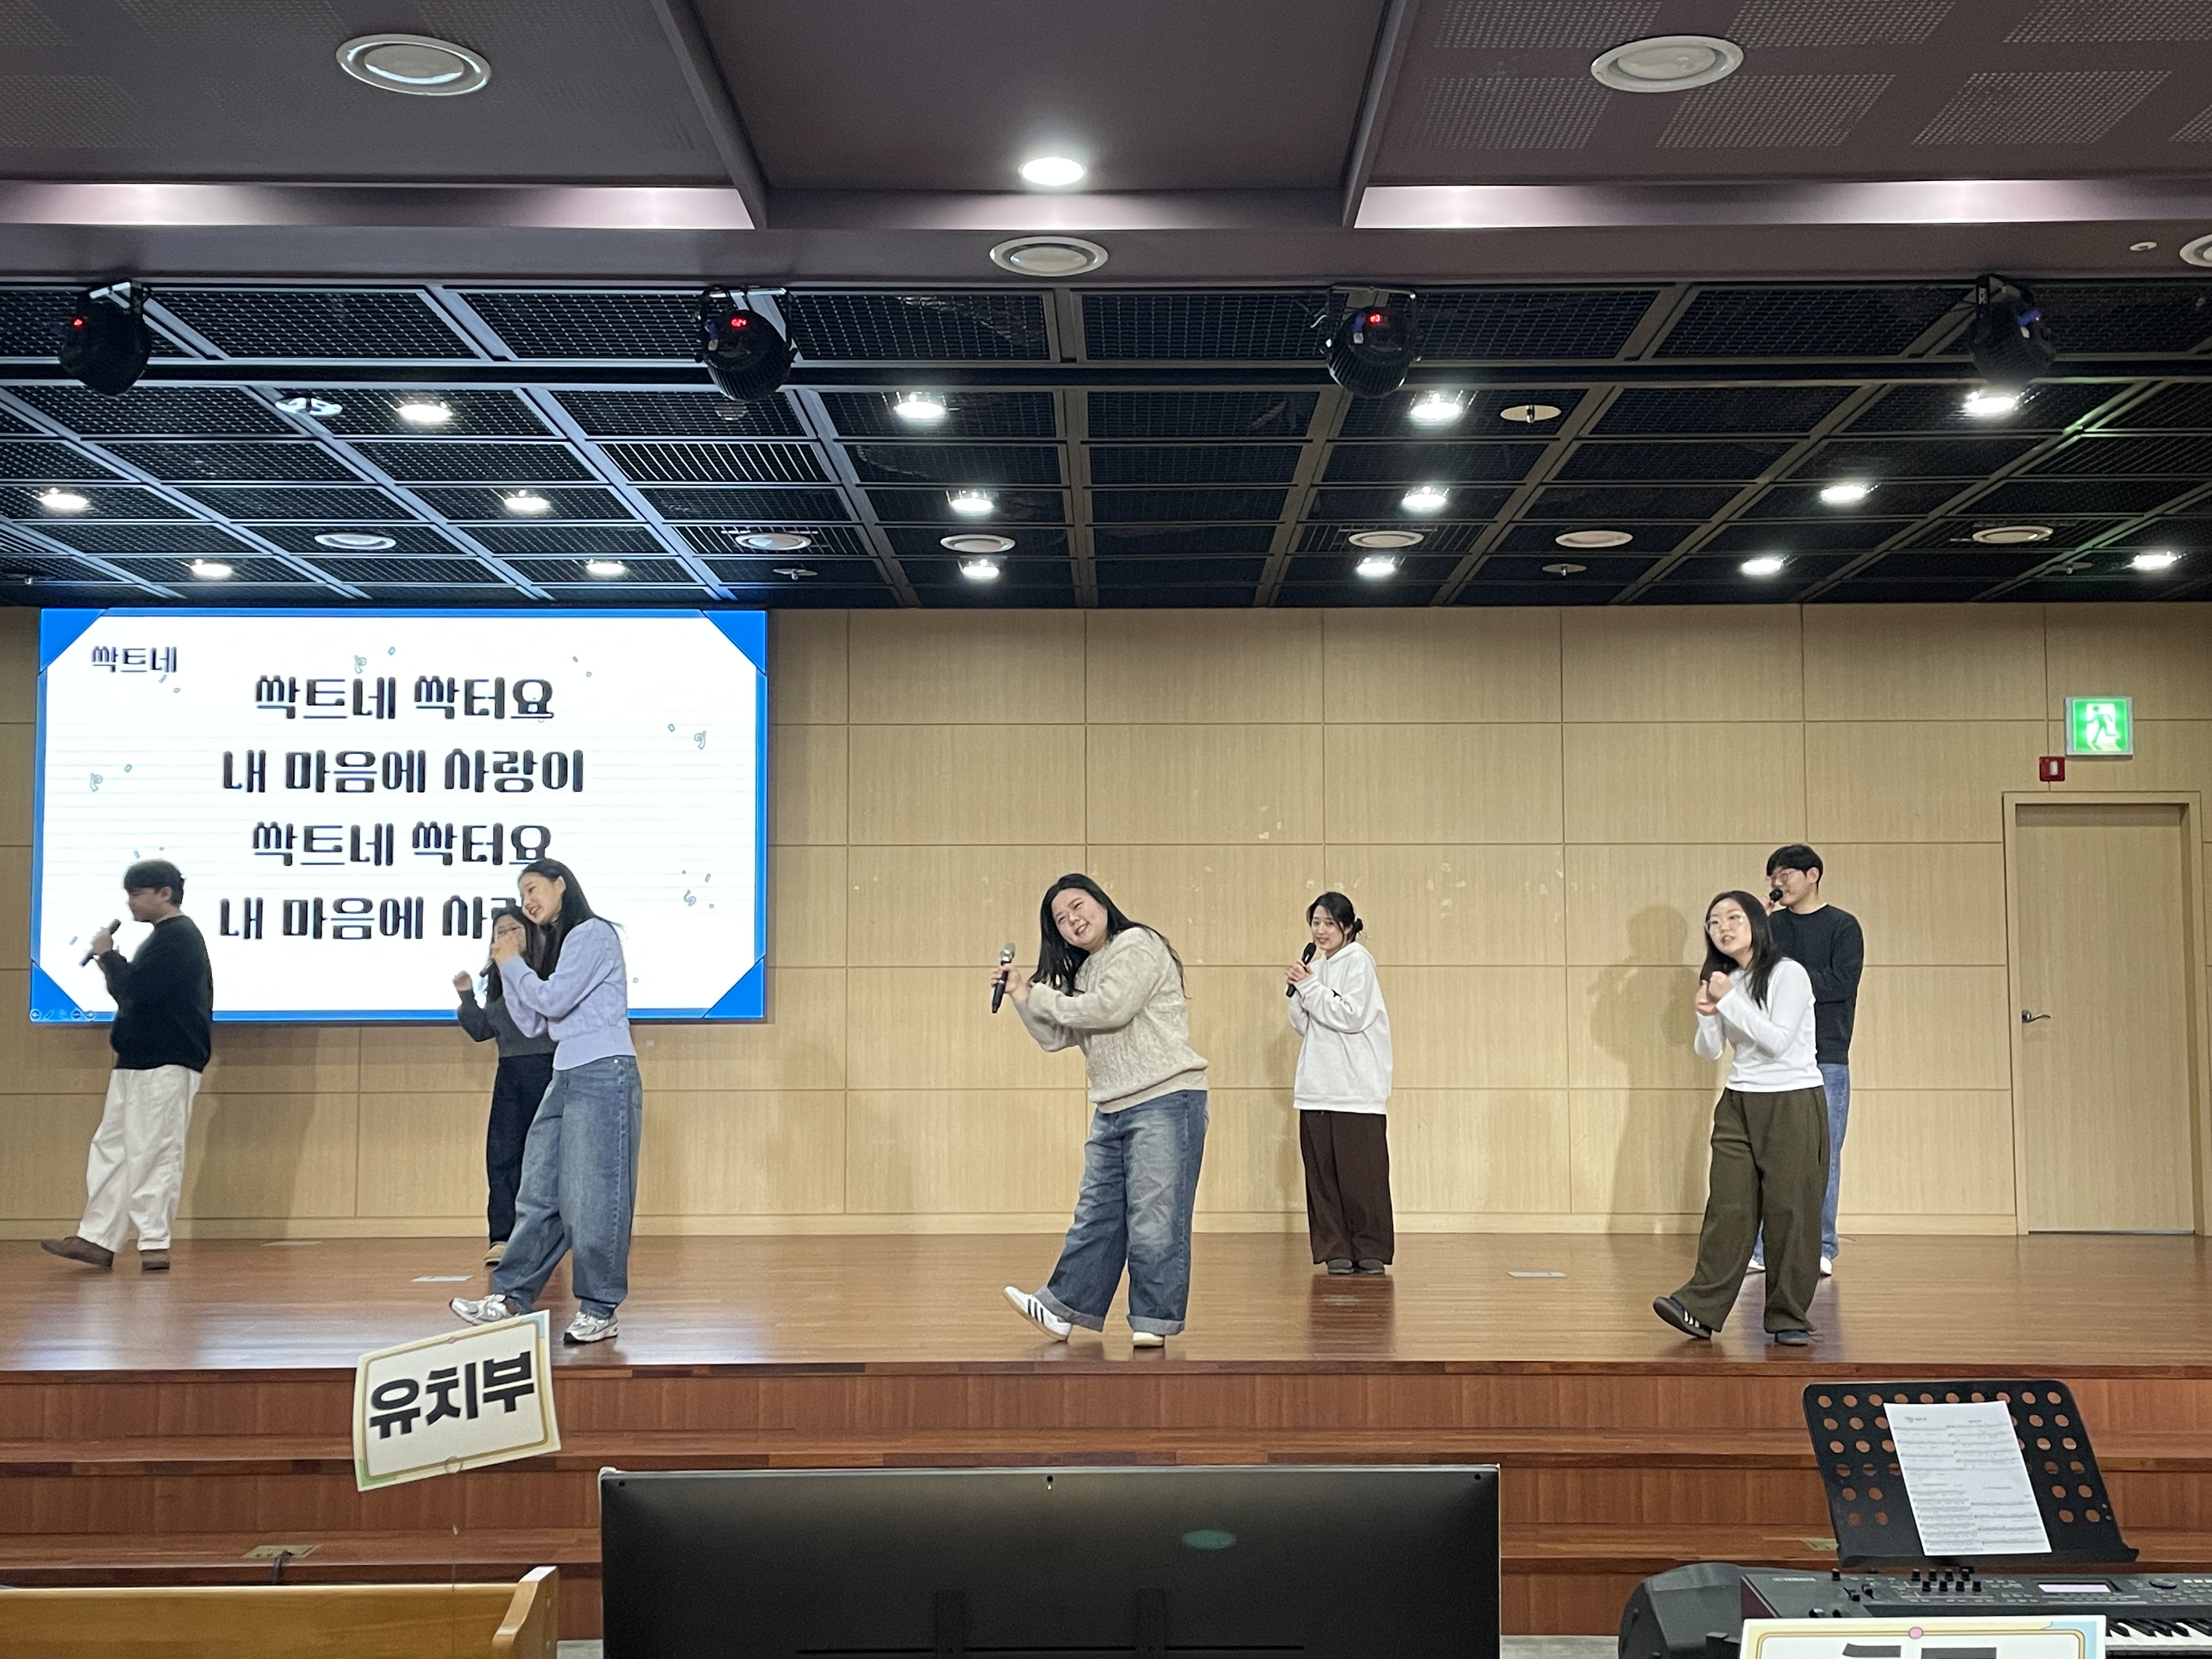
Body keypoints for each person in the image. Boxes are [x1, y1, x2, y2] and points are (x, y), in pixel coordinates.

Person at [998, 874, 1209, 1349]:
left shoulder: (1137, 944)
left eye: (1078, 906)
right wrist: (1021, 996)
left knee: (1156, 1218)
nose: (1073, 920)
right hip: (1113, 1106)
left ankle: (1154, 1318)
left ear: (1101, 902)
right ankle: (1062, 1308)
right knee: (1096, 1215)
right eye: (1061, 919)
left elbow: (1111, 1009)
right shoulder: (1085, 971)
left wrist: (1042, 995)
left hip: (1165, 1100)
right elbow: (1056, 1036)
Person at [449, 859, 640, 1345]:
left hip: (603, 1069)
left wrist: (514, 963)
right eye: (523, 894)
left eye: (533, 889)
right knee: (538, 1192)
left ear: (561, 885)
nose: (528, 901)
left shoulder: (592, 933)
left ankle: (600, 1308)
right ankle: (510, 1296)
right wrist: (509, 967)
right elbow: (534, 1023)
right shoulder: (558, 944)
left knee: (594, 1196)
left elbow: (552, 1002)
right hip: (565, 1071)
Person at [1652, 891, 1827, 1347]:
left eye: (1733, 918)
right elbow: (1710, 1051)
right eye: (1714, 922)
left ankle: (1788, 1316)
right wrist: (1706, 1015)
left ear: (1756, 922)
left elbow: (1777, 1041)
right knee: (1728, 1207)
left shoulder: (1788, 974)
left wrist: (1728, 1001)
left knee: (1791, 1210)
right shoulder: (1725, 981)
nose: (1723, 928)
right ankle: (1700, 1308)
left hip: (1791, 1100)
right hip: (1738, 1101)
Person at [42, 860, 213, 1273]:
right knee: (113, 1149)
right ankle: (98, 1238)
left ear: (165, 894)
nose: (131, 903)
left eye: (137, 894)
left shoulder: (180, 937)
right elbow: (134, 989)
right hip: (136, 1061)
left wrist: (107, 955)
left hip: (166, 1061)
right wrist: (111, 960)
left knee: (155, 1150)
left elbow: (138, 989)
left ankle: (154, 1242)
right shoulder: (163, 938)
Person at [1751, 844, 1864, 1280]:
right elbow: (1752, 978)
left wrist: (1789, 980)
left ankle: (1821, 1246)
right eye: (1773, 877)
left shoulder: (1843, 926)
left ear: (1812, 875)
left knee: (1823, 1153)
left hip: (1826, 1054)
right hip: (1775, 1054)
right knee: (1771, 1155)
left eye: (1786, 875)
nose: (1778, 883)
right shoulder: (1772, 927)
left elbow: (1841, 983)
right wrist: (1754, 929)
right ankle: (1764, 1250)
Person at [1286, 891, 1393, 1276]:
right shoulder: (1318, 967)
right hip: (1317, 1086)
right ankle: (1335, 1249)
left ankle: (1370, 1248)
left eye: (1329, 923)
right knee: (1323, 1177)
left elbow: (1351, 1015)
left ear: (1347, 927)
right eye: (1316, 922)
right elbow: (1305, 1025)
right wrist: (1299, 991)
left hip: (1355, 1089)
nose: (1321, 930)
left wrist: (1310, 989)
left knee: (1362, 1176)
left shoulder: (1358, 961)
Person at [453, 906, 556, 1269]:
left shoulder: (548, 972)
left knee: (545, 1159)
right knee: (502, 1157)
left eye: (515, 929)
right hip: (509, 1072)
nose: (508, 936)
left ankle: (547, 1238)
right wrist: (467, 996)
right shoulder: (496, 979)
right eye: (500, 932)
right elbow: (483, 1030)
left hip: (549, 1069)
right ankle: (502, 1238)